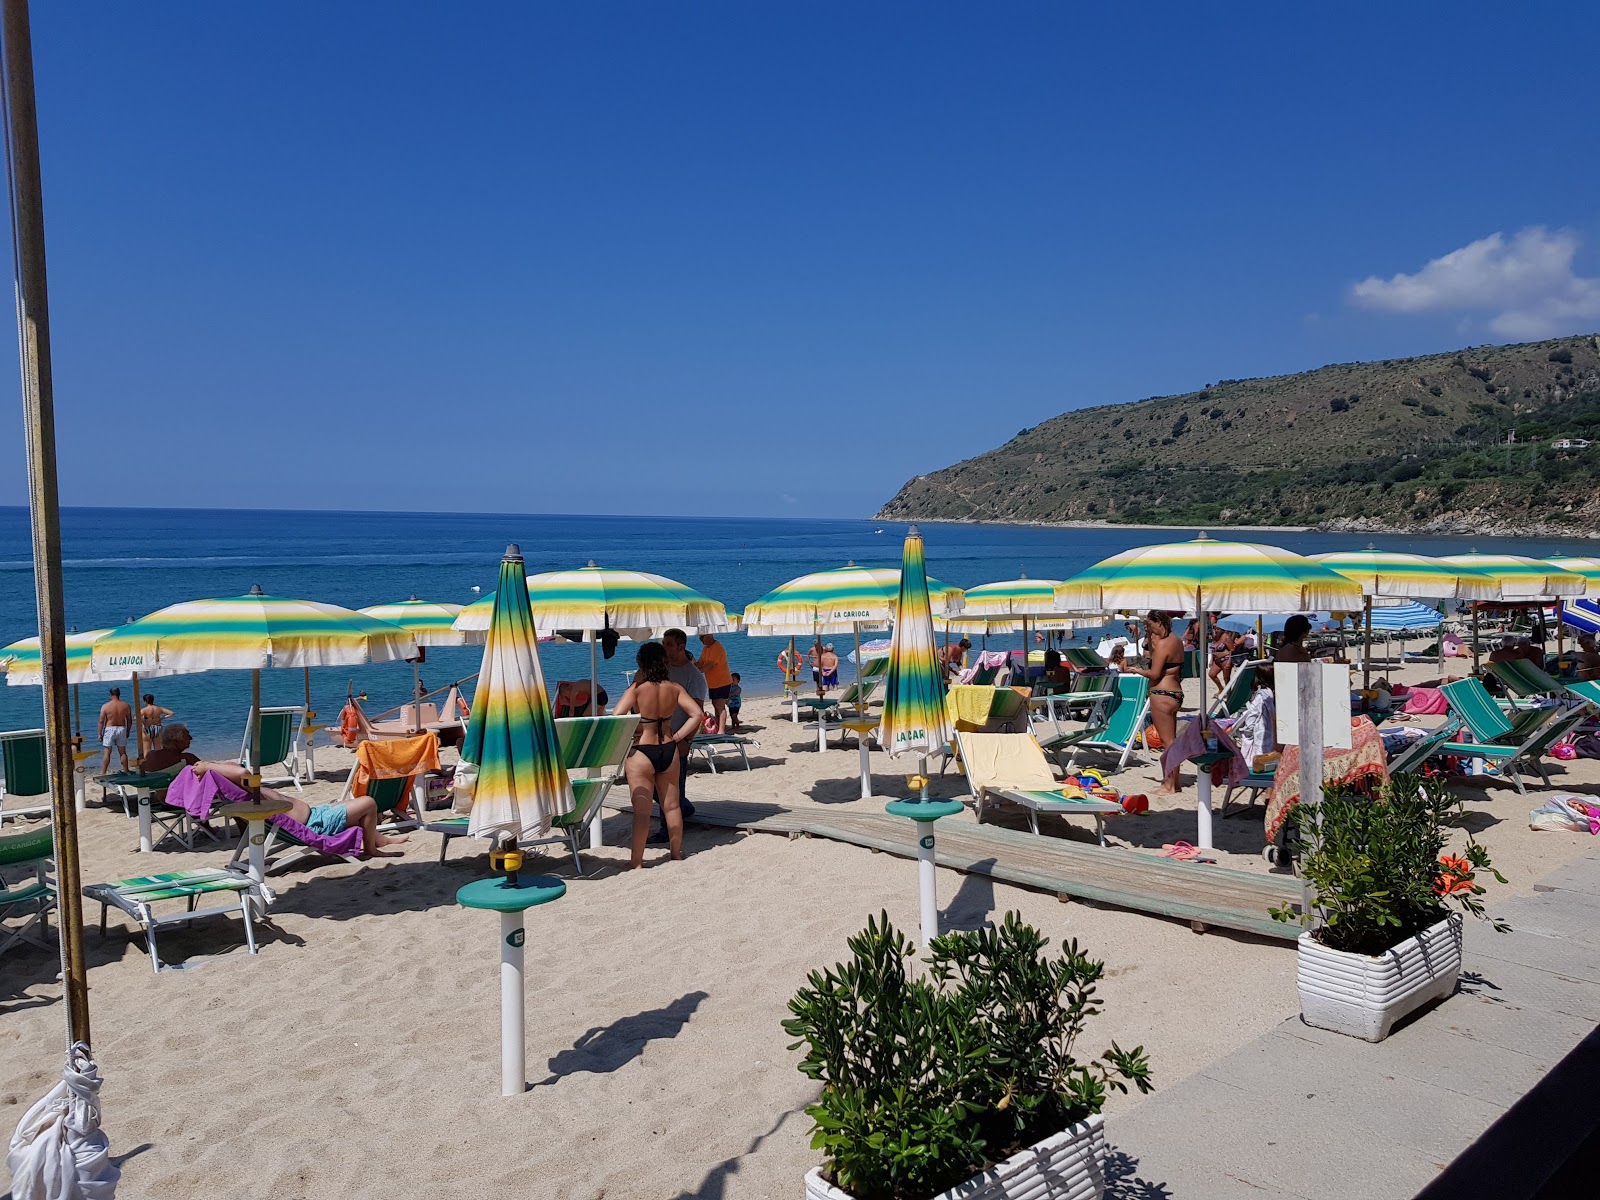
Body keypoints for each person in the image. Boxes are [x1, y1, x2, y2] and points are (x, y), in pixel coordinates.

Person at [611, 641, 704, 867]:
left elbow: (616, 717)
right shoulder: (674, 688)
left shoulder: (636, 689)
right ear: (664, 662)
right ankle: (676, 853)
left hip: (642, 750)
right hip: (669, 749)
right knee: (671, 806)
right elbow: (697, 714)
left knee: (642, 812)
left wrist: (635, 730)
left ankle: (636, 862)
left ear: (641, 664)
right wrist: (679, 736)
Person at [1128, 610, 1185, 793]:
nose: (1148, 629)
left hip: (1161, 693)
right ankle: (1175, 783)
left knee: (1167, 742)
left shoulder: (1163, 645)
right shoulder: (1177, 641)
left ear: (1157, 622)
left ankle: (1168, 785)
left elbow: (1154, 673)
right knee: (1172, 741)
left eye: (1149, 625)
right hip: (1176, 693)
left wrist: (1137, 671)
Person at [660, 628, 709, 827]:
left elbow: (697, 711)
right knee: (658, 785)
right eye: (663, 644)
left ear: (681, 647)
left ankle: (668, 828)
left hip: (678, 737)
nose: (664, 648)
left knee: (673, 785)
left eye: (669, 645)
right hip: (658, 736)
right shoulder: (662, 669)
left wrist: (685, 740)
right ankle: (684, 808)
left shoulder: (693, 675)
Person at [1230, 665, 1279, 773]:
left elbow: (1251, 720)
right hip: (1270, 734)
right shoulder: (1271, 695)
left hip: (1259, 735)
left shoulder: (1260, 697)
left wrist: (1245, 733)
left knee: (1255, 760)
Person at [696, 633, 734, 733]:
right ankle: (717, 726)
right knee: (715, 704)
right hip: (713, 683)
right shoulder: (706, 648)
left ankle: (721, 730)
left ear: (709, 635)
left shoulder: (717, 647)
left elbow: (709, 665)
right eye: (699, 637)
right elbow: (701, 662)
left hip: (722, 681)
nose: (700, 639)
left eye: (702, 637)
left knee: (720, 705)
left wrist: (698, 672)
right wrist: (691, 668)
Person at [98, 687, 133, 774]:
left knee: (107, 752)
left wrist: (100, 733)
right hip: (121, 728)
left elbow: (101, 721)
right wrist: (128, 731)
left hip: (110, 728)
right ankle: (126, 770)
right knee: (122, 752)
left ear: (110, 695)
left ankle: (103, 772)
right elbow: (129, 720)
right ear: (119, 694)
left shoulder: (105, 706)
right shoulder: (126, 705)